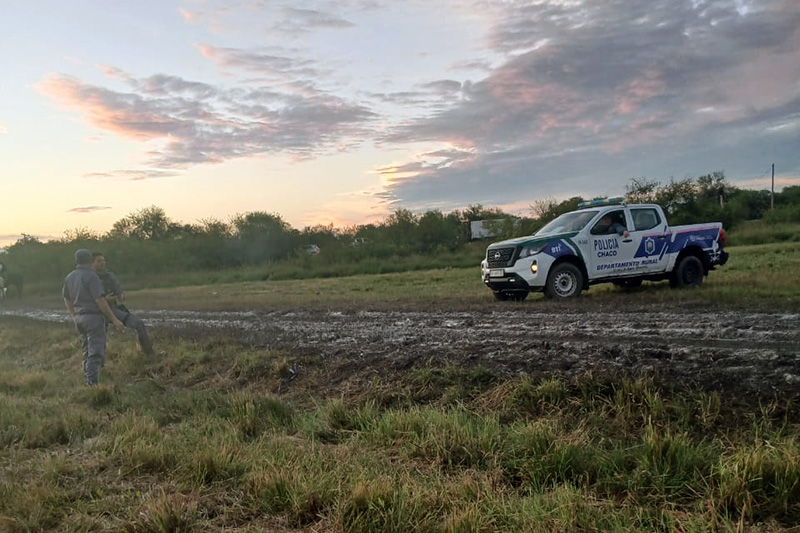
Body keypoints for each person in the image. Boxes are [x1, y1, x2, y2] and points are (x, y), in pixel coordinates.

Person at [63, 249, 125, 385]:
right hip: (93, 317)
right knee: (96, 353)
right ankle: (92, 385)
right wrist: (114, 319)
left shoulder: (70, 277)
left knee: (86, 351)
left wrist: (74, 315)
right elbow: (99, 300)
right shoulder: (91, 276)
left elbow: (67, 299)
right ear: (90, 261)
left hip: (79, 318)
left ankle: (87, 381)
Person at [91, 252, 155, 356]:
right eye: (99, 261)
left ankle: (149, 354)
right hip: (95, 313)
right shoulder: (88, 278)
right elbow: (85, 300)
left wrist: (120, 295)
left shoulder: (110, 276)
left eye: (103, 260)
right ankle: (100, 363)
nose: (102, 263)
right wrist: (105, 300)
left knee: (138, 323)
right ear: (92, 263)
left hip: (113, 310)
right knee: (98, 340)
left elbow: (120, 293)